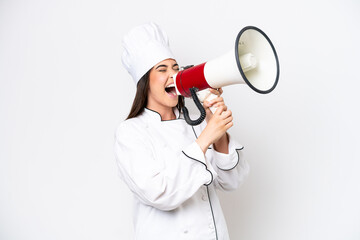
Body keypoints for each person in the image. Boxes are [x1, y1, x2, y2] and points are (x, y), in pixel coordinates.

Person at [114, 22, 249, 240]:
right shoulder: (131, 132)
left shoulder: (195, 124)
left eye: (176, 69)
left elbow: (231, 182)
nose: (173, 76)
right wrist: (206, 137)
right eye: (162, 69)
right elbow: (159, 192)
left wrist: (218, 130)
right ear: (144, 81)